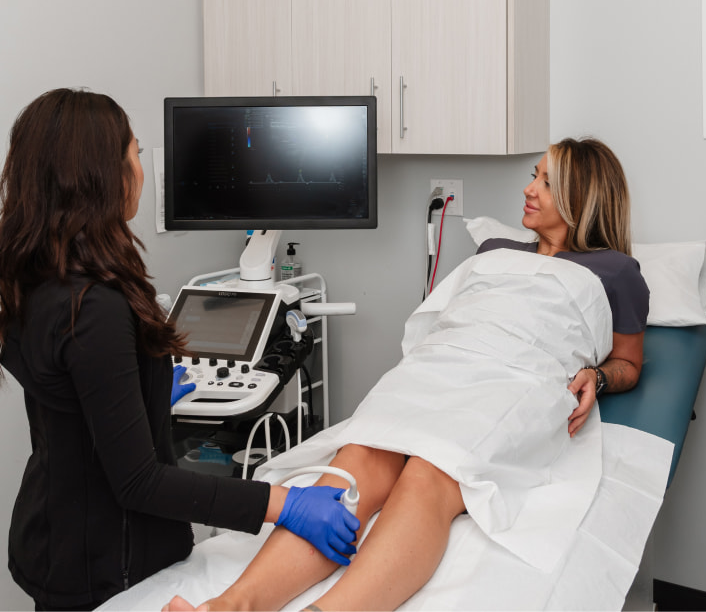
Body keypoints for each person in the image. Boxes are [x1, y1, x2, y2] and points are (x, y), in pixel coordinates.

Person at [164, 137, 649, 612]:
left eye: (546, 181)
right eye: (534, 175)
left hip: (519, 379)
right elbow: (456, 318)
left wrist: (599, 377)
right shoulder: (498, 249)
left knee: (431, 471)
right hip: (443, 365)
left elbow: (627, 362)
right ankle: (230, 606)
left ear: (581, 197)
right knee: (358, 457)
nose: (530, 188)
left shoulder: (616, 270)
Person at [0, 88, 360, 611]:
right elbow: (139, 483)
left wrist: (139, 400)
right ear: (103, 175)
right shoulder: (94, 307)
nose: (142, 169)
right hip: (110, 563)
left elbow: (67, 398)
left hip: (54, 537)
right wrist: (283, 504)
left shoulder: (31, 278)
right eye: (135, 153)